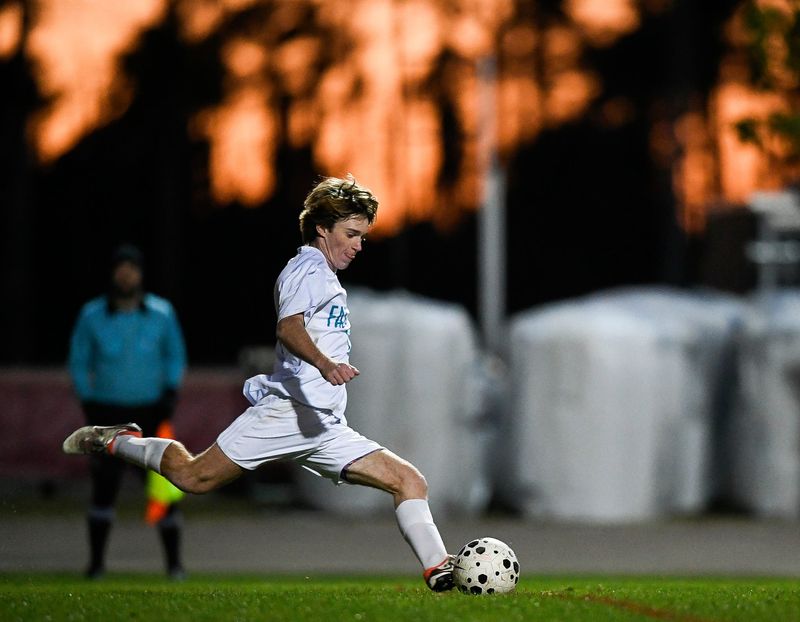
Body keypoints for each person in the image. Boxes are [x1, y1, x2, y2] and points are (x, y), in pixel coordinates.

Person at [63, 176, 455, 591]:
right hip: (286, 414)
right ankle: (119, 440)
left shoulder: (324, 274)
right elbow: (288, 328)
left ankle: (440, 570)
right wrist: (324, 364)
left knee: (409, 481)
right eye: (352, 234)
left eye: (363, 236)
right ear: (322, 229)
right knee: (195, 478)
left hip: (324, 427)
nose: (359, 245)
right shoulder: (306, 270)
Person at [67, 243, 188, 579]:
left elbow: (175, 356)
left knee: (164, 485)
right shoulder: (92, 315)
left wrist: (170, 392)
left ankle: (175, 566)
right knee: (103, 487)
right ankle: (95, 566)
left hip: (150, 413)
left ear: (141, 273)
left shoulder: (162, 314)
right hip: (107, 415)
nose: (126, 274)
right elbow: (78, 361)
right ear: (112, 273)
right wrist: (87, 399)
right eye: (120, 267)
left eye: (131, 267)